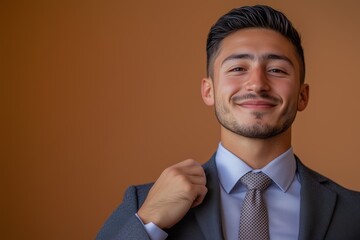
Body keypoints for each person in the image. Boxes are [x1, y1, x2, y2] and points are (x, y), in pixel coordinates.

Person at [96, 5, 360, 240]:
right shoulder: (143, 204)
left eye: (277, 70)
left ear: (302, 96)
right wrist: (149, 222)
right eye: (237, 68)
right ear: (208, 91)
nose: (257, 83)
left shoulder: (353, 212)